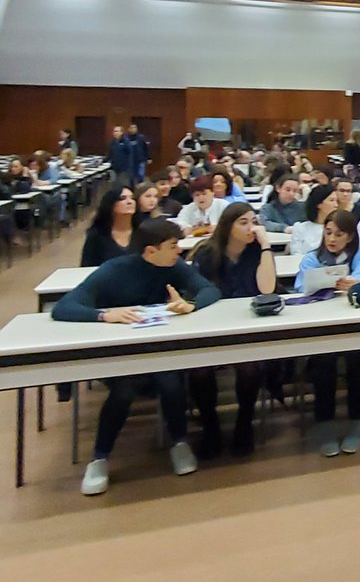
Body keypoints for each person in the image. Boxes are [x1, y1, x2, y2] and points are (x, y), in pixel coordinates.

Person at [51, 218, 220, 495]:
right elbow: (63, 308)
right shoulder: (114, 271)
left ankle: (179, 442)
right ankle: (100, 458)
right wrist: (103, 315)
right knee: (124, 390)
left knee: (171, 382)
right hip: (122, 355)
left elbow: (210, 290)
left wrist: (190, 304)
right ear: (151, 251)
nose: (180, 251)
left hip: (158, 348)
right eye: (173, 246)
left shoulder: (174, 266)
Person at [189, 204, 277, 458]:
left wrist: (266, 246)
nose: (251, 228)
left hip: (248, 324)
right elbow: (197, 294)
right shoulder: (207, 254)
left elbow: (268, 289)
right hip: (210, 326)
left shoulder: (256, 252)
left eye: (253, 221)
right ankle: (210, 426)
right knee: (199, 370)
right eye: (243, 222)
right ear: (228, 226)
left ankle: (244, 422)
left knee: (249, 366)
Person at [295, 211, 360, 456]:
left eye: (339, 234)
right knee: (322, 364)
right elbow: (300, 286)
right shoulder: (312, 258)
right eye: (328, 232)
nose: (332, 239)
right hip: (321, 327)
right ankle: (325, 425)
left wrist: (355, 282)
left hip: (354, 325)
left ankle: (357, 422)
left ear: (350, 237)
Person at [81, 186, 137, 267]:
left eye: (132, 198)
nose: (130, 202)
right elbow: (86, 267)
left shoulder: (143, 231)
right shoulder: (96, 236)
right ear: (111, 204)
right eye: (122, 198)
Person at [290, 182, 338, 256]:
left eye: (336, 201)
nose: (336, 205)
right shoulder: (300, 228)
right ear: (319, 204)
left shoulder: (340, 228)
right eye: (331, 200)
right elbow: (296, 253)